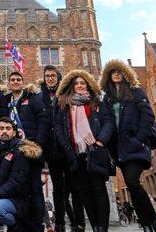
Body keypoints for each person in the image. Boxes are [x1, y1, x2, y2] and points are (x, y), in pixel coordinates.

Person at [99, 60, 156, 232]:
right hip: (120, 149)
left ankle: (154, 222)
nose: (116, 74)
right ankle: (147, 223)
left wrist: (140, 138)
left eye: (119, 71)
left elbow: (147, 115)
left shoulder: (135, 91)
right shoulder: (108, 98)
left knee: (133, 181)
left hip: (135, 145)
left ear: (125, 73)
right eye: (113, 72)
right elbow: (107, 122)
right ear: (108, 76)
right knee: (131, 184)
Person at [54, 69, 114, 232]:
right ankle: (95, 226)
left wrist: (101, 141)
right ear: (71, 87)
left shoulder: (96, 102)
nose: (79, 85)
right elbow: (59, 128)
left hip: (95, 151)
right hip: (75, 154)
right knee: (84, 192)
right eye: (76, 83)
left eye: (82, 83)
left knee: (99, 190)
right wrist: (67, 149)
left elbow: (108, 122)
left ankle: (103, 227)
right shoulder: (64, 105)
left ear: (88, 84)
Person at [0, 117, 41, 232]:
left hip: (17, 199)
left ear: (14, 132)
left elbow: (14, 184)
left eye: (8, 128)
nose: (4, 131)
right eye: (1, 128)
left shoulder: (20, 151)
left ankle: (17, 227)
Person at [37, 65, 81, 232]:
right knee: (58, 189)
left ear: (58, 77)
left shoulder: (67, 95)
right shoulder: (40, 97)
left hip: (69, 147)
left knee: (74, 187)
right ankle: (60, 223)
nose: (50, 78)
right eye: (47, 75)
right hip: (52, 150)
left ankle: (79, 223)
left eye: (53, 75)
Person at [6, 71, 49, 232]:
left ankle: (37, 225)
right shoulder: (6, 101)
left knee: (35, 189)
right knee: (18, 188)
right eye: (13, 80)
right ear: (9, 84)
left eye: (18, 80)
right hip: (15, 151)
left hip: (31, 150)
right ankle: (20, 224)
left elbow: (43, 120)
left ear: (22, 83)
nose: (15, 82)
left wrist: (37, 144)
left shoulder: (33, 98)